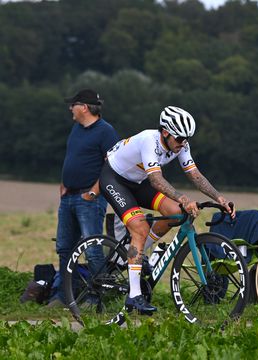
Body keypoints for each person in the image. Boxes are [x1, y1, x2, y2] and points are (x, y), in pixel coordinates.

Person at [99, 105, 234, 314]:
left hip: (138, 181)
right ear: (165, 132)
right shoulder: (148, 140)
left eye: (186, 140)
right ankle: (134, 296)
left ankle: (137, 251)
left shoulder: (180, 144)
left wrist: (220, 198)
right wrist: (182, 197)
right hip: (115, 180)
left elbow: (195, 175)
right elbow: (156, 179)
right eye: (180, 139)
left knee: (175, 213)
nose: (183, 144)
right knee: (140, 228)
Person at [49, 89, 119, 307]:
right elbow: (72, 157)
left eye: (74, 104)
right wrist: (63, 184)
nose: (70, 108)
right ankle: (65, 296)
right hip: (69, 197)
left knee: (92, 248)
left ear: (85, 108)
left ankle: (96, 298)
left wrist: (94, 192)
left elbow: (112, 167)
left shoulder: (106, 131)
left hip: (89, 200)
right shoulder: (76, 129)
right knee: (65, 248)